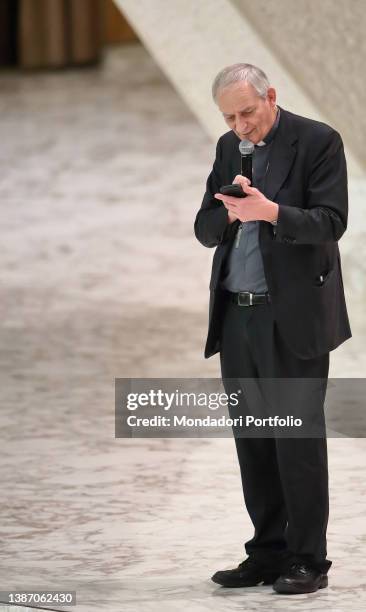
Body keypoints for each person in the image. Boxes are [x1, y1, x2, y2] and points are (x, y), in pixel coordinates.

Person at [194, 63, 351, 595]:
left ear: (271, 97)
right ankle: (266, 551)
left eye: (247, 113)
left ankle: (308, 558)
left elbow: (332, 221)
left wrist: (272, 211)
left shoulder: (317, 142)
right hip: (236, 314)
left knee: (295, 438)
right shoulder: (227, 148)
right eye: (230, 117)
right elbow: (203, 228)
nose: (240, 126)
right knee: (253, 438)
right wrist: (234, 214)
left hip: (291, 319)